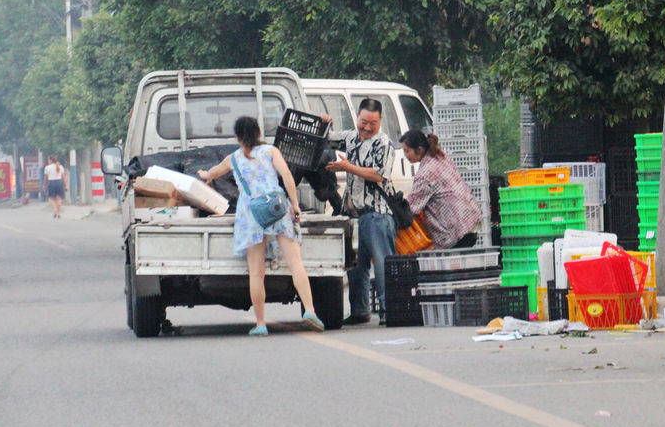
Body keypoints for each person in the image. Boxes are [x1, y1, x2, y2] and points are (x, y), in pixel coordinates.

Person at [197, 116, 326, 336]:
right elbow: (286, 175)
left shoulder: (233, 159)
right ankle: (310, 311)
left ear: (237, 138)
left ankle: (261, 323)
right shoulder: (271, 151)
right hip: (277, 207)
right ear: (258, 133)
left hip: (251, 215)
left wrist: (204, 175)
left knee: (256, 273)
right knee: (296, 263)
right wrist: (294, 204)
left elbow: (212, 173)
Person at [321, 99, 395, 325]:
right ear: (358, 119)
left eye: (372, 123)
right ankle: (360, 310)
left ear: (380, 120)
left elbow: (378, 174)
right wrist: (326, 124)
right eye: (363, 122)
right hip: (354, 216)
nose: (367, 127)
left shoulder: (384, 144)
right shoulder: (352, 138)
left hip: (377, 214)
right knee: (355, 265)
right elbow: (329, 139)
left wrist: (347, 167)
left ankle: (388, 310)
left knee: (382, 264)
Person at [399, 130, 482, 249]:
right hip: (469, 220)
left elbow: (412, 207)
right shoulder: (440, 157)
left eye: (407, 151)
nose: (405, 155)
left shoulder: (425, 173)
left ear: (420, 149)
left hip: (454, 229)